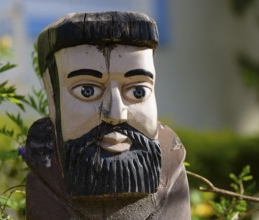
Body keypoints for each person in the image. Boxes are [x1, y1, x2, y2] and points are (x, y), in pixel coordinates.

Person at [25, 11, 190, 219]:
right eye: (87, 91)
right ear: (52, 94)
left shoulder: (171, 176)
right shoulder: (45, 179)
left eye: (138, 91)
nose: (115, 114)